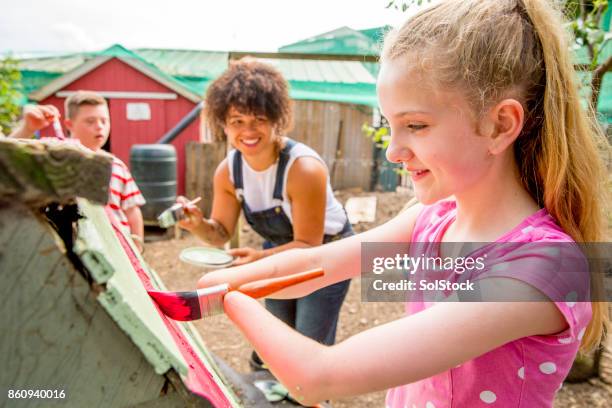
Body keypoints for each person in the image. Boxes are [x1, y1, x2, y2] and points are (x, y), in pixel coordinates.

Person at [196, 0, 610, 406]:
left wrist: (224, 300)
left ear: (500, 124)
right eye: (390, 125)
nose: (393, 151)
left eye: (415, 125)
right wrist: (228, 280)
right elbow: (313, 265)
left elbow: (316, 375)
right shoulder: (434, 219)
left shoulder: (544, 264)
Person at [176, 58, 353, 370]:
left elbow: (309, 246)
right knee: (275, 339)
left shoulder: (303, 168)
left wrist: (258, 260)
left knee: (308, 347)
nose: (248, 131)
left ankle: (310, 398)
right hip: (280, 252)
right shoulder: (229, 171)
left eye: (259, 119)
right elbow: (219, 234)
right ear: (224, 124)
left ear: (277, 120)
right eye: (237, 121)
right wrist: (197, 224)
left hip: (327, 251)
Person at [7, 94, 146, 249]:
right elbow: (7, 158)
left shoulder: (117, 166)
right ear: (69, 124)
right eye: (90, 121)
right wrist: (27, 128)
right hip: (68, 248)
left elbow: (132, 211)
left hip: (117, 249)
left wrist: (137, 244)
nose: (99, 126)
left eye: (104, 120)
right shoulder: (54, 153)